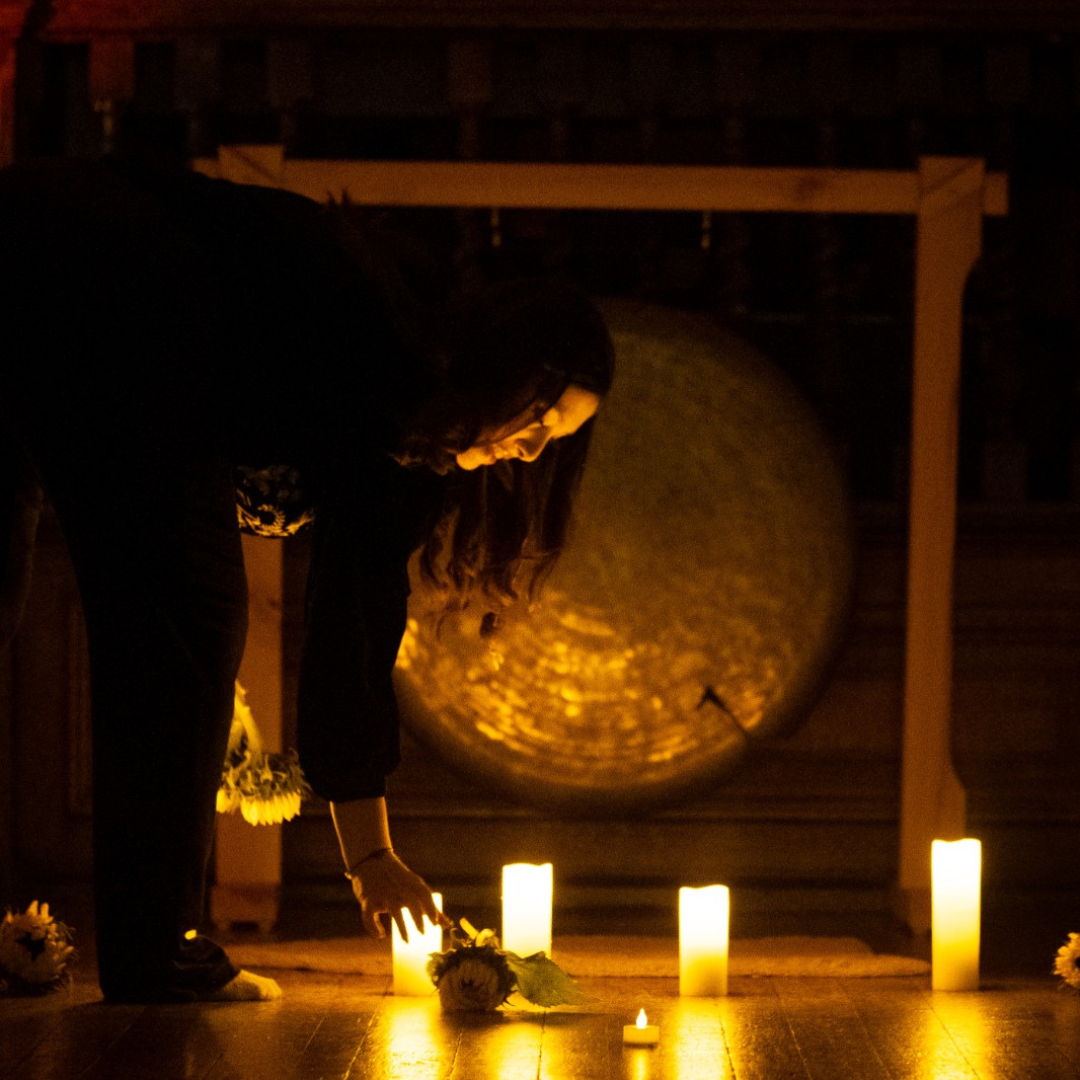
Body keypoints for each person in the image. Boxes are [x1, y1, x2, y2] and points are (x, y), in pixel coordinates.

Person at [0, 155, 615, 1003]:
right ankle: (156, 953)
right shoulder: (388, 369)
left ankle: (151, 947)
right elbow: (351, 629)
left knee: (165, 615)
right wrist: (370, 859)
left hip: (48, 260)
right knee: (192, 621)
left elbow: (348, 616)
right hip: (96, 282)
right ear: (499, 366)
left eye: (561, 435)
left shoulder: (408, 395)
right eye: (541, 413)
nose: (533, 446)